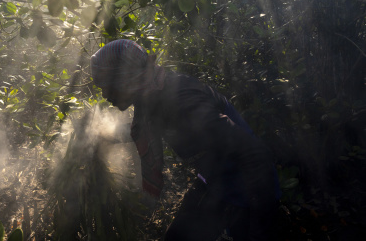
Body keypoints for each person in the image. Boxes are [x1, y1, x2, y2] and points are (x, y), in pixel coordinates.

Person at [90, 39, 280, 241]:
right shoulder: (153, 92)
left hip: (245, 189)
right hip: (214, 178)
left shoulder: (181, 101)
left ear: (125, 80)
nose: (104, 94)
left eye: (107, 87)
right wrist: (101, 135)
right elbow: (141, 129)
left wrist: (260, 221)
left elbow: (253, 153)